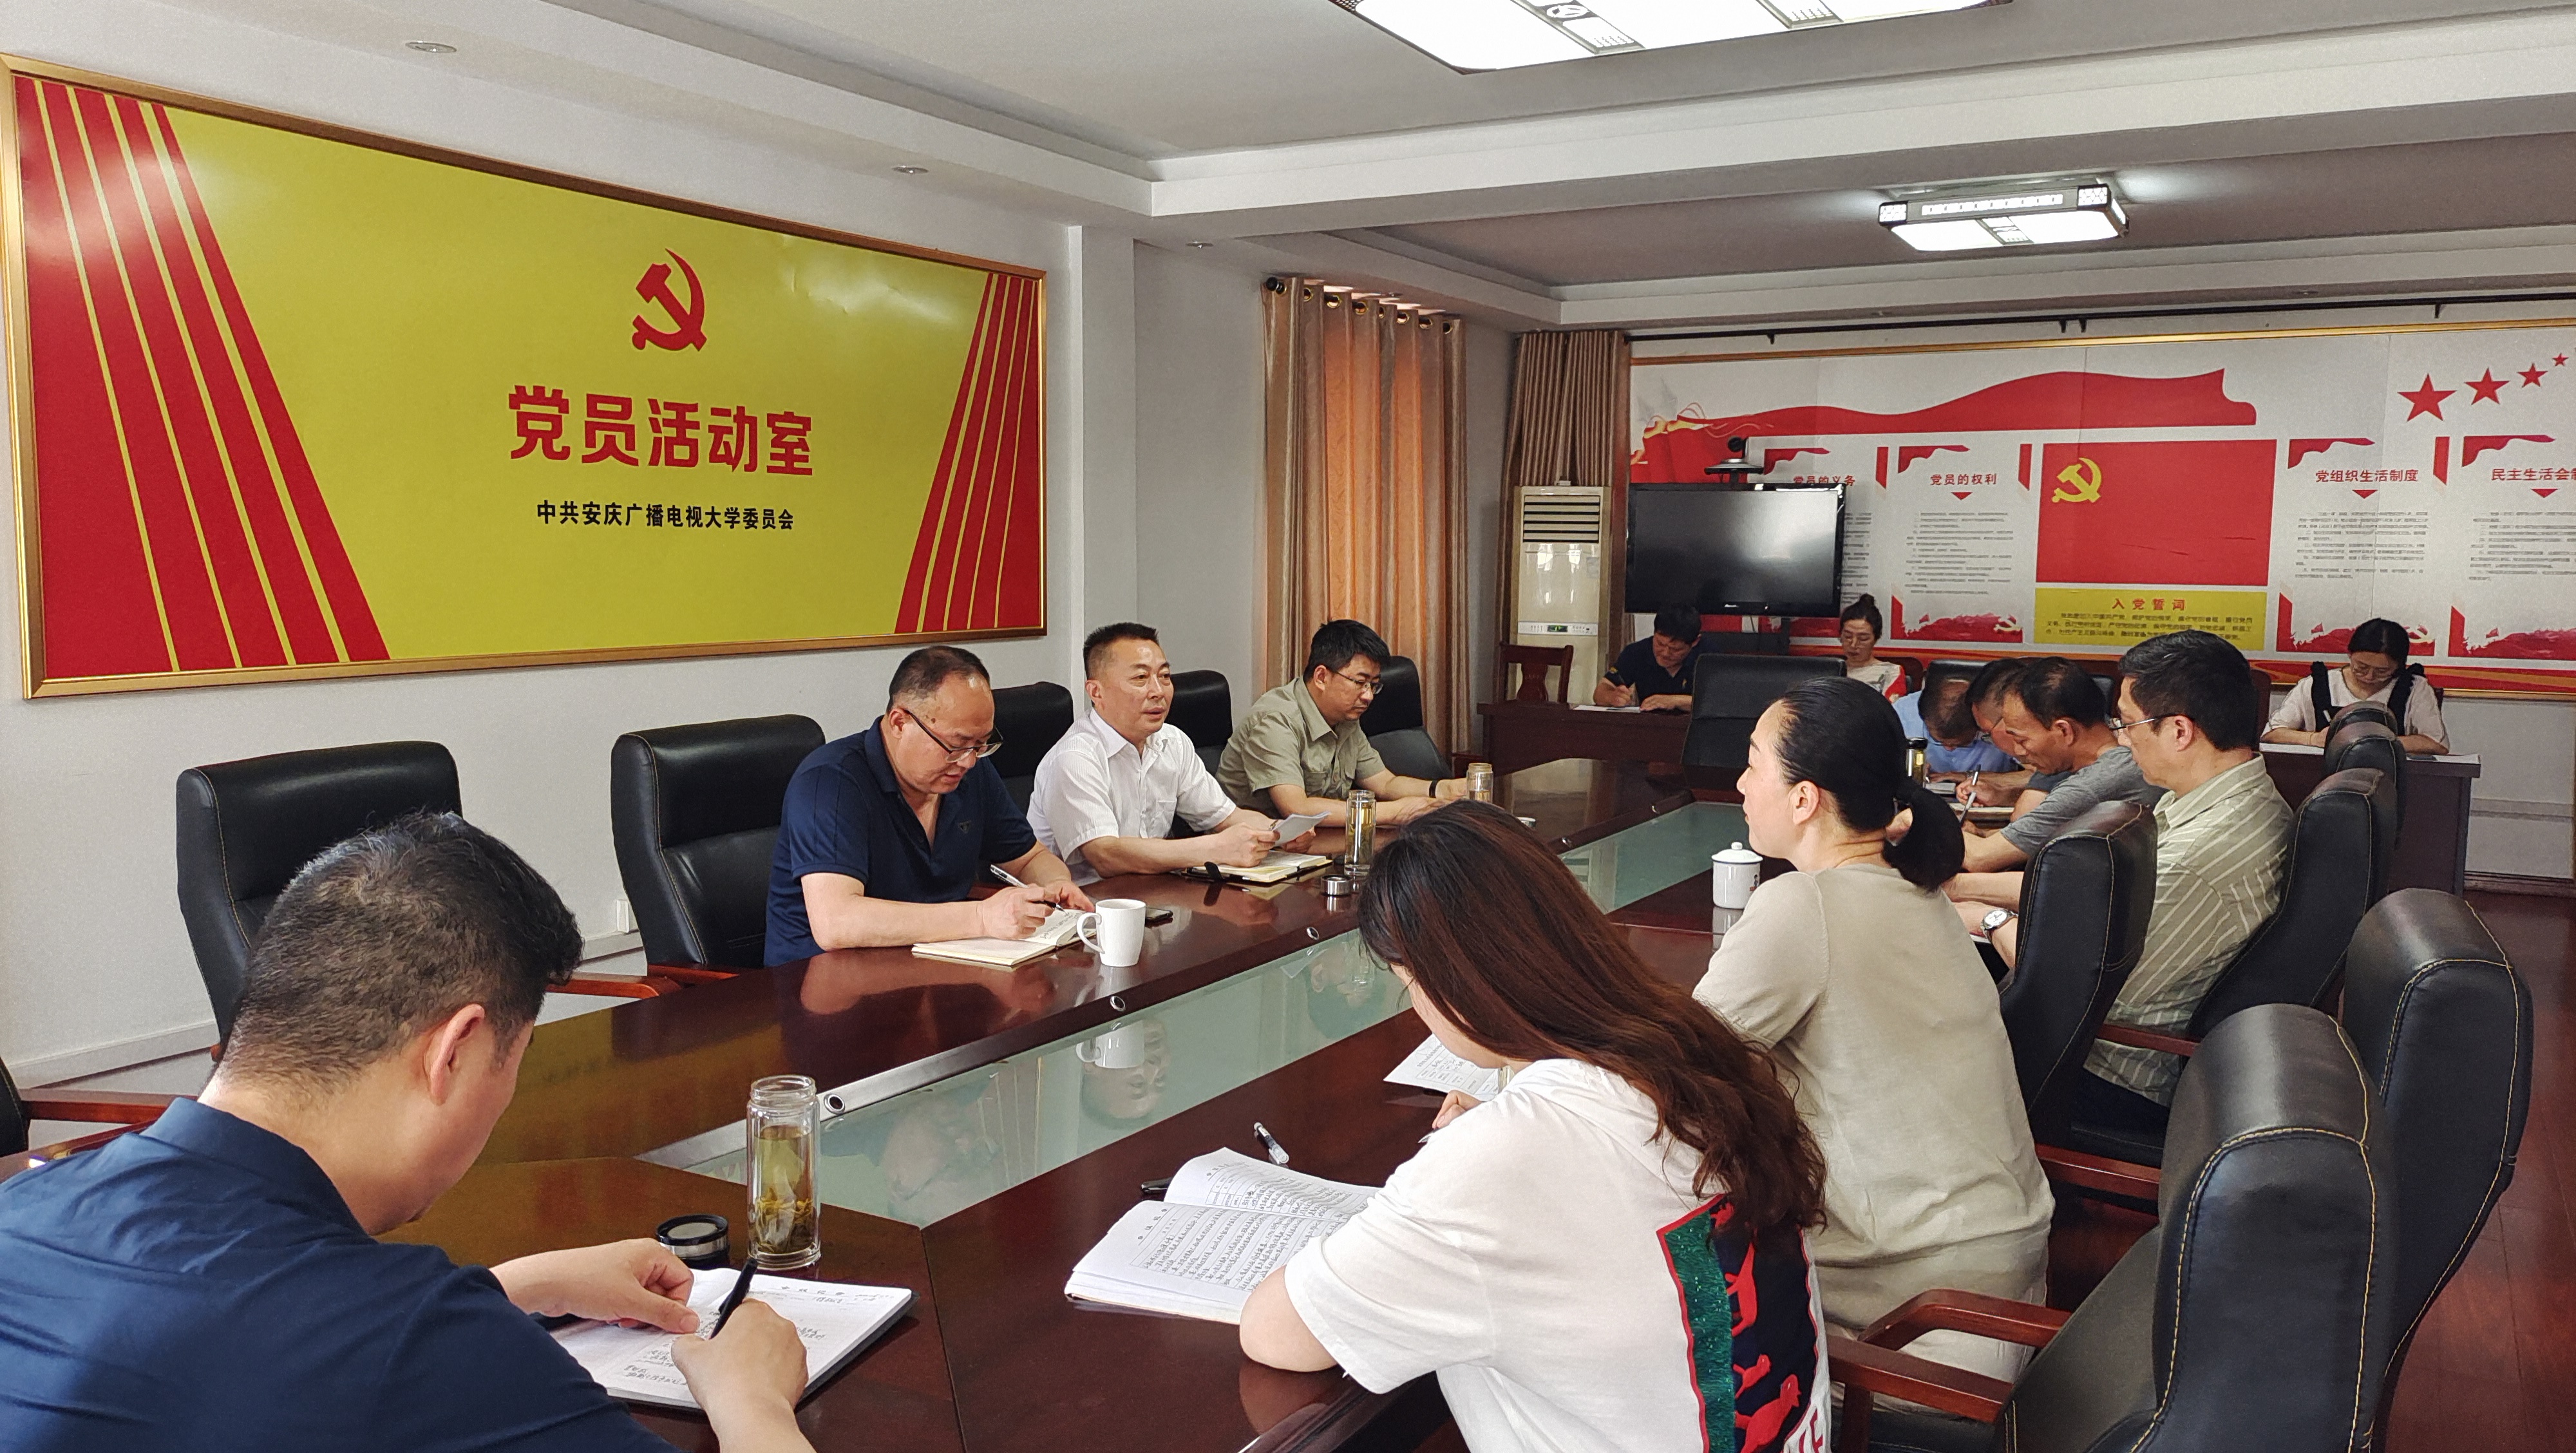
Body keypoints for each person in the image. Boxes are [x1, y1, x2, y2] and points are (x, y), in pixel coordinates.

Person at [0, 815, 817, 1453]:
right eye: (514, 1063)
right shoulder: (419, 1346)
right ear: (454, 1053)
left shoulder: (24, 1210)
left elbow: (203, 1348)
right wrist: (752, 1403)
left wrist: (508, 1287)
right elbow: (349, 1349)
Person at [1239, 802, 1832, 1453]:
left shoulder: (1499, 1159)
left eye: (1407, 984)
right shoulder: (1690, 1049)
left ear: (1447, 982)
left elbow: (1278, 1333)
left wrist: (1474, 1166)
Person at [1694, 678, 2053, 1381]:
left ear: (1804, 799)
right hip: (1998, 1268)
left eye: (1753, 763)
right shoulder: (1914, 887)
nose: (1740, 783)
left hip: (1913, 1313)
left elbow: (1676, 1068)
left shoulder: (1803, 904)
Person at [1973, 631, 2293, 1129]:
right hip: (2104, 1038)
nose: (2121, 739)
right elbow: (2095, 901)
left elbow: (2073, 990)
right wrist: (1964, 892)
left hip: (2103, 1075)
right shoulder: (2220, 797)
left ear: (2179, 730)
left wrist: (1990, 920)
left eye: (2127, 724)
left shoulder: (2197, 857)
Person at [766, 645, 1093, 964]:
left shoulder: (969, 772)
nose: (968, 761)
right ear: (899, 723)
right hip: (823, 979)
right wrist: (981, 917)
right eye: (956, 745)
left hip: (933, 964)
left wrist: (1055, 884)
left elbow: (1029, 858)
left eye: (981, 745)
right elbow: (836, 923)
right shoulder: (831, 782)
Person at [1027, 622, 1307, 885]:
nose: (1158, 691)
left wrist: (1280, 830)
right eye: (1141, 678)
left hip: (1156, 894)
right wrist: (1214, 848)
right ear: (1096, 692)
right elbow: (1106, 855)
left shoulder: (1172, 742)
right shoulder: (1075, 758)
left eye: (1164, 676)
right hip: (1086, 905)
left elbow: (1226, 817)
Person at [1216, 620, 1464, 826]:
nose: (1368, 696)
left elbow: (1384, 783)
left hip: (1313, 842)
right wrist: (1395, 812)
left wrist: (1442, 790)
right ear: (1322, 677)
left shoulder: (1345, 717)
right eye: (1360, 683)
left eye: (1373, 685)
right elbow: (1296, 808)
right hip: (1256, 849)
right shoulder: (1275, 720)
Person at [1946, 657, 2164, 886]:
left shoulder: (2092, 784)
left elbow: (1980, 858)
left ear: (2064, 731)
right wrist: (1982, 835)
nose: (2019, 752)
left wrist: (1928, 821)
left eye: (2022, 740)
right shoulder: (2118, 757)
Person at [2263, 616, 2448, 754]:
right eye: (2361, 667)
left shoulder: (2415, 688)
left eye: (2382, 671)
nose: (2369, 676)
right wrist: (2313, 739)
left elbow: (2437, 744)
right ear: (2350, 655)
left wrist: (2372, 742)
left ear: (2399, 665)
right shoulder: (2316, 684)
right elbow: (2272, 734)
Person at [1893, 672, 2020, 781]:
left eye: (1962, 744)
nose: (1948, 749)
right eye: (1937, 741)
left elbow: (2031, 777)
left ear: (1979, 724)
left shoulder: (2001, 718)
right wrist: (1902, 767)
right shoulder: (1902, 714)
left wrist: (1970, 776)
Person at [1594, 604, 1705, 710]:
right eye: (1660, 644)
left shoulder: (1709, 655)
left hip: (1697, 723)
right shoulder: (1637, 652)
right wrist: (1612, 697)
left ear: (1695, 642)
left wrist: (1677, 701)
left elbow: (1715, 703)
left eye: (1675, 649)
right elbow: (1601, 691)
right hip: (1648, 721)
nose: (1665, 653)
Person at [1838, 594, 1906, 699]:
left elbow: (1890, 708)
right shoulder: (1829, 670)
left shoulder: (1890, 672)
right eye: (1848, 637)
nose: (1854, 645)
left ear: (1876, 639)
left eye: (1863, 639)